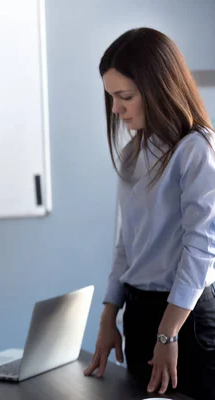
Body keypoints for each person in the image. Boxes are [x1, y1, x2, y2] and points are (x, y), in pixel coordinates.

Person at [83, 27, 215, 400]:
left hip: (183, 321)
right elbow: (126, 243)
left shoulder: (196, 148)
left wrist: (168, 332)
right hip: (139, 314)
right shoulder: (133, 154)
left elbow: (201, 247)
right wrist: (109, 317)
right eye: (111, 97)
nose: (115, 109)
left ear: (158, 87)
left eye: (124, 96)